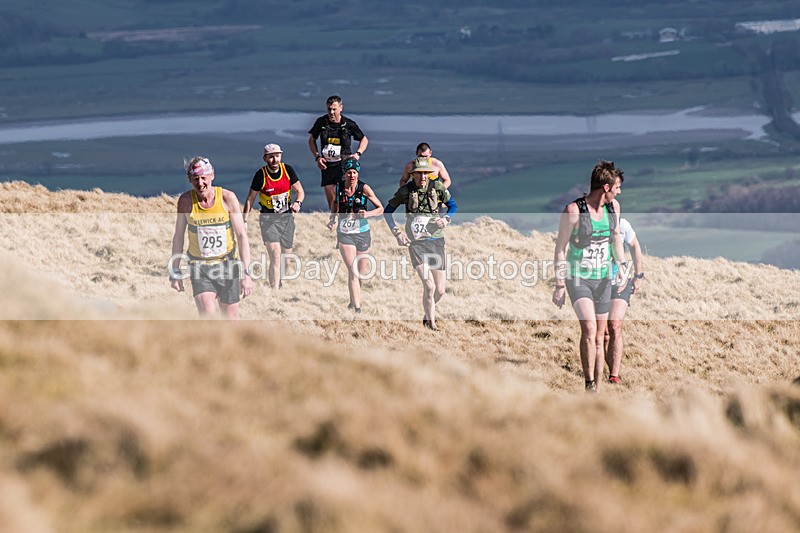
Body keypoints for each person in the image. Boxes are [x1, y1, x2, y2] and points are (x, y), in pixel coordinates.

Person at [552, 160, 626, 393]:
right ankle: (588, 384)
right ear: (605, 187)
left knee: (601, 334)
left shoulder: (613, 209)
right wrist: (559, 284)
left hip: (603, 278)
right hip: (578, 278)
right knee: (590, 330)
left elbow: (615, 238)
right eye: (617, 187)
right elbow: (560, 249)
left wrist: (622, 268)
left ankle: (598, 391)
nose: (619, 192)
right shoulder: (573, 211)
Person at [170, 156, 253, 319]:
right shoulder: (186, 201)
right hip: (200, 267)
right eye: (195, 179)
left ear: (212, 176)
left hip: (228, 264)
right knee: (208, 318)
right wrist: (175, 271)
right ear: (190, 180)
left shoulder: (227, 198)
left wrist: (246, 273)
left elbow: (242, 235)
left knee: (231, 322)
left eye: (203, 178)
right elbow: (178, 237)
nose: (200, 183)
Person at [384, 157, 457, 331]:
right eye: (419, 174)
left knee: (440, 291)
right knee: (429, 286)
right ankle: (432, 326)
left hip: (436, 242)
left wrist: (446, 219)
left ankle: (426, 315)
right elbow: (388, 211)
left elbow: (452, 206)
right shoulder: (405, 191)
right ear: (413, 175)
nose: (423, 177)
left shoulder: (438, 188)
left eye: (426, 173)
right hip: (417, 244)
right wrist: (397, 233)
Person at [243, 143, 305, 289]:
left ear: (281, 156)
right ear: (265, 158)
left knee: (286, 259)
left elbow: (300, 191)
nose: (275, 160)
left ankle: (279, 281)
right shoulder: (261, 175)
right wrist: (244, 220)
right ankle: (274, 290)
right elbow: (250, 198)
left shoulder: (287, 170)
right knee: (275, 255)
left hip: (286, 218)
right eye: (271, 157)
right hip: (268, 219)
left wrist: (298, 203)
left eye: (277, 156)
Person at [326, 159, 384, 313]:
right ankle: (357, 309)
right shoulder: (337, 188)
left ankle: (352, 302)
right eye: (349, 173)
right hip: (345, 234)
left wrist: (368, 214)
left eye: (354, 173)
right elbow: (334, 203)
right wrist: (332, 218)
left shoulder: (364, 188)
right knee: (353, 271)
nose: (352, 175)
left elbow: (380, 208)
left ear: (358, 174)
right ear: (344, 174)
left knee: (361, 273)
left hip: (362, 233)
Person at [308, 95, 369, 210]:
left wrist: (358, 154)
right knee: (331, 198)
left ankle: (346, 219)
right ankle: (333, 221)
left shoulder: (348, 124)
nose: (331, 112)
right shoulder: (321, 122)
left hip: (344, 165)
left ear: (340, 108)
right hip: (327, 165)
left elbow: (364, 139)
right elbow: (311, 140)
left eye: (334, 109)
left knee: (344, 196)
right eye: (329, 109)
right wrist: (317, 157)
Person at [604, 215, 644, 385]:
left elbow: (634, 245)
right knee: (604, 334)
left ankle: (614, 375)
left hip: (620, 282)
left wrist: (638, 275)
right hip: (597, 282)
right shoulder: (591, 222)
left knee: (614, 325)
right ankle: (603, 368)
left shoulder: (623, 224)